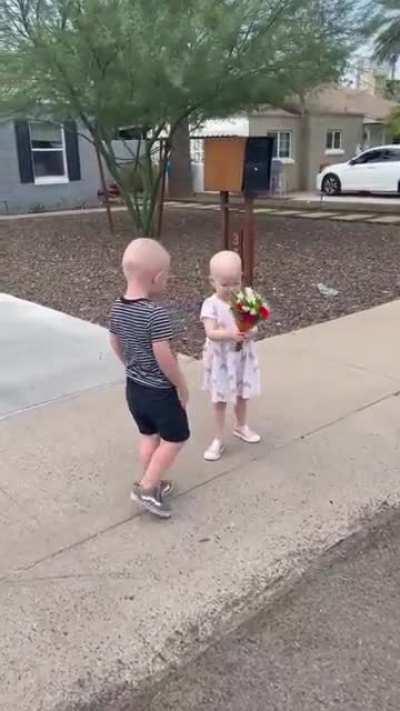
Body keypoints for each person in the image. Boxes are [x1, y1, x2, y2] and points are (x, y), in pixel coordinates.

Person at [109, 238, 190, 519]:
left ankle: (151, 482)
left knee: (149, 435)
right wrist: (180, 385)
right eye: (166, 274)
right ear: (157, 277)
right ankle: (146, 487)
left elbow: (115, 342)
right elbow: (164, 358)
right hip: (159, 392)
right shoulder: (155, 314)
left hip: (134, 389)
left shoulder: (117, 307)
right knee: (176, 437)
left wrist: (129, 365)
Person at [200, 250, 261, 462]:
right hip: (221, 360)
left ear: (241, 277)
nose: (230, 288)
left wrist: (250, 332)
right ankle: (218, 438)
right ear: (212, 281)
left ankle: (241, 425)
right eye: (224, 284)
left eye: (235, 282)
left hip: (242, 357)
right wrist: (230, 334)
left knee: (243, 394)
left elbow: (254, 326)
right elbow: (210, 332)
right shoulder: (211, 304)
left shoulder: (247, 297)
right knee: (219, 398)